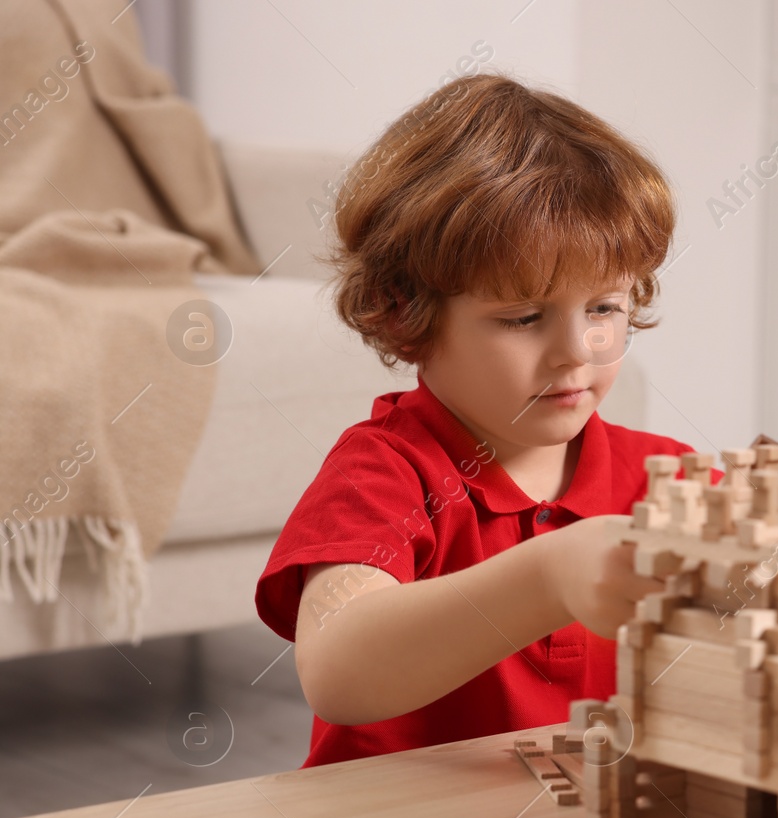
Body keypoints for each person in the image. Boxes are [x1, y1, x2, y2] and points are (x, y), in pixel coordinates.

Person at [255, 74, 702, 767]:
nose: (576, 351)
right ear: (408, 316)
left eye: (604, 309)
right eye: (524, 317)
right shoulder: (382, 473)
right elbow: (337, 671)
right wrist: (549, 576)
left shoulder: (666, 475)